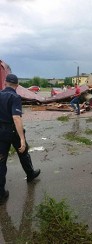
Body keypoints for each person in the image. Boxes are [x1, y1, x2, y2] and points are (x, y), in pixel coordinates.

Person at [0, 74, 40, 205]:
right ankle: (30, 174)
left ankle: (1, 194)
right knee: (23, 152)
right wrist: (22, 138)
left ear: (5, 83)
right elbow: (16, 118)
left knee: (1, 161)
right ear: (17, 86)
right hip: (12, 130)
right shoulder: (15, 97)